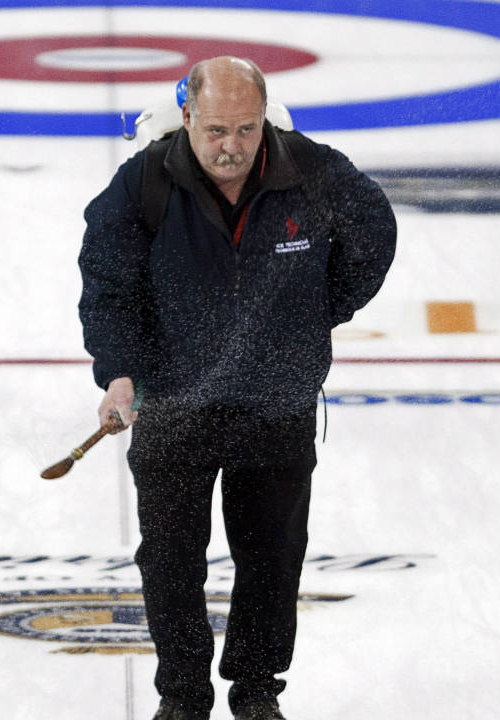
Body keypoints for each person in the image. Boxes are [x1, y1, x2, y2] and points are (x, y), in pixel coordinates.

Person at [77, 56, 396, 720]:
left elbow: (373, 237)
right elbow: (109, 289)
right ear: (187, 118)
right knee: (169, 564)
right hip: (172, 410)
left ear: (265, 118)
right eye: (216, 130)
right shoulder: (143, 183)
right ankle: (184, 697)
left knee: (273, 563)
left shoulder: (312, 171)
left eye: (246, 129)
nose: (232, 147)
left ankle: (256, 694)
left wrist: (313, 314)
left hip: (274, 407)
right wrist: (119, 372)